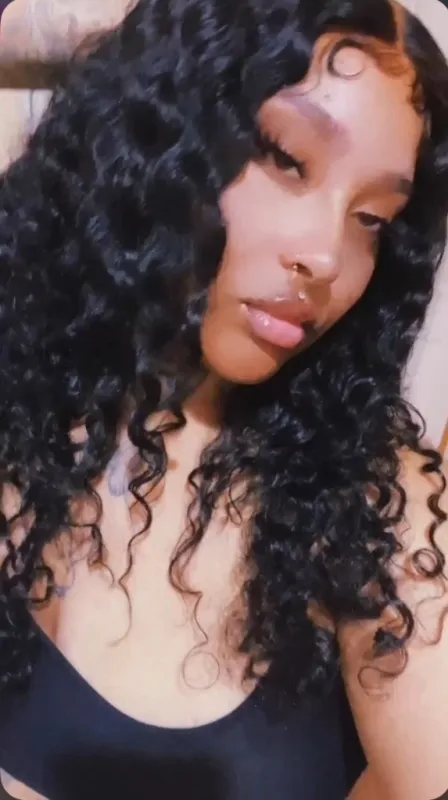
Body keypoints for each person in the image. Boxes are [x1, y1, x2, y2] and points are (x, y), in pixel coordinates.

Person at [0, 0, 447, 798]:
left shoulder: (378, 506)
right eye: (285, 157)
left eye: (372, 218)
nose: (327, 255)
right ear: (158, 131)